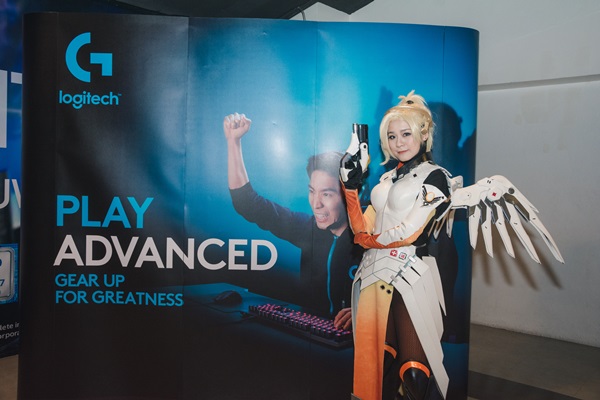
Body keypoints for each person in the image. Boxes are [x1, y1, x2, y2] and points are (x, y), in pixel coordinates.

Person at [340, 91, 452, 400]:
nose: (399, 142)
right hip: (372, 275)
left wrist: (367, 240)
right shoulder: (385, 180)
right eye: (392, 136)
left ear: (423, 134)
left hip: (410, 274)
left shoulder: (436, 177)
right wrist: (349, 189)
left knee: (415, 372)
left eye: (406, 133)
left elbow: (410, 232)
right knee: (373, 366)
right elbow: (361, 227)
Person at [224, 113, 363, 324]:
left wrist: (367, 313)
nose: (316, 204)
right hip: (311, 337)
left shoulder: (373, 237)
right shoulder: (308, 229)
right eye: (312, 191)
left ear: (349, 195)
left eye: (327, 194)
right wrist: (233, 142)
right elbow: (247, 203)